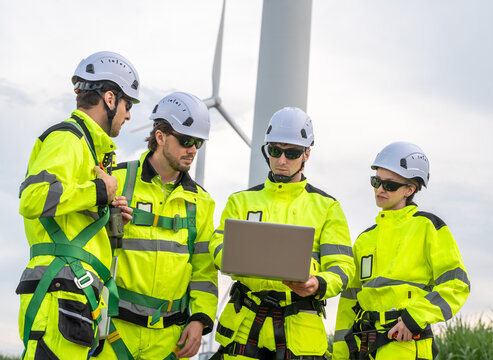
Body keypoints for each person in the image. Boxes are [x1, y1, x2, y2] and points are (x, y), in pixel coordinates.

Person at [17, 51, 140, 359]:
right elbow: (33, 198)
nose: (128, 116)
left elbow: (70, 211)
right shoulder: (67, 139)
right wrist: (98, 191)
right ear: (110, 99)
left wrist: (109, 214)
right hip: (59, 292)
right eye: (128, 105)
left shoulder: (88, 149)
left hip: (73, 293)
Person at [209, 107, 355, 360]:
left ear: (307, 153)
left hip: (298, 331)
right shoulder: (240, 201)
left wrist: (318, 284)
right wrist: (233, 258)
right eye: (275, 151)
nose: (282, 160)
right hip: (244, 328)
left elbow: (342, 268)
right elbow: (217, 245)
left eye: (292, 153)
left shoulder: (327, 208)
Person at [92, 92, 218, 360]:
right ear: (160, 137)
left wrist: (199, 319)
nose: (193, 149)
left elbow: (204, 270)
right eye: (186, 140)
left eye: (198, 143)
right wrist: (104, 217)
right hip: (113, 334)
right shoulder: (116, 179)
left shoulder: (202, 203)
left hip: (169, 342)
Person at [332, 141, 470, 360]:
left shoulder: (428, 227)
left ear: (410, 189)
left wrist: (414, 317)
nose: (380, 189)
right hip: (364, 350)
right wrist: (339, 355)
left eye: (390, 185)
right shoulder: (365, 239)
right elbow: (348, 304)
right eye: (376, 181)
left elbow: (457, 285)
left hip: (406, 348)